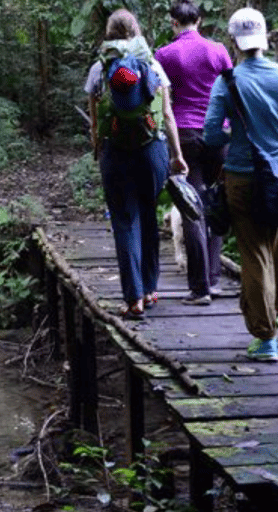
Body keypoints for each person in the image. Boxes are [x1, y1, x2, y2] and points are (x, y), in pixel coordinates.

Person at [203, 7, 278, 361]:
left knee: (255, 257)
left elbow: (210, 135)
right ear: (265, 38)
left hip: (244, 178)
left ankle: (266, 336)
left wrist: (234, 131)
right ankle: (274, 319)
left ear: (233, 40)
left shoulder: (228, 82)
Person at [84, 9, 188, 320]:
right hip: (151, 149)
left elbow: (94, 120)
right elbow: (167, 115)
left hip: (115, 152)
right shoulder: (152, 64)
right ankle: (151, 289)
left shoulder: (99, 68)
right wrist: (177, 154)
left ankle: (133, 299)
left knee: (124, 221)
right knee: (147, 215)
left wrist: (96, 146)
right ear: (136, 30)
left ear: (110, 33)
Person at [155, 0, 233, 306]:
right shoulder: (218, 51)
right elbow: (232, 90)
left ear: (174, 23)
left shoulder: (164, 54)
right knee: (215, 202)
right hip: (218, 133)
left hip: (184, 134)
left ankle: (199, 288)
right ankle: (213, 280)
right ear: (199, 21)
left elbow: (158, 98)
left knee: (191, 207)